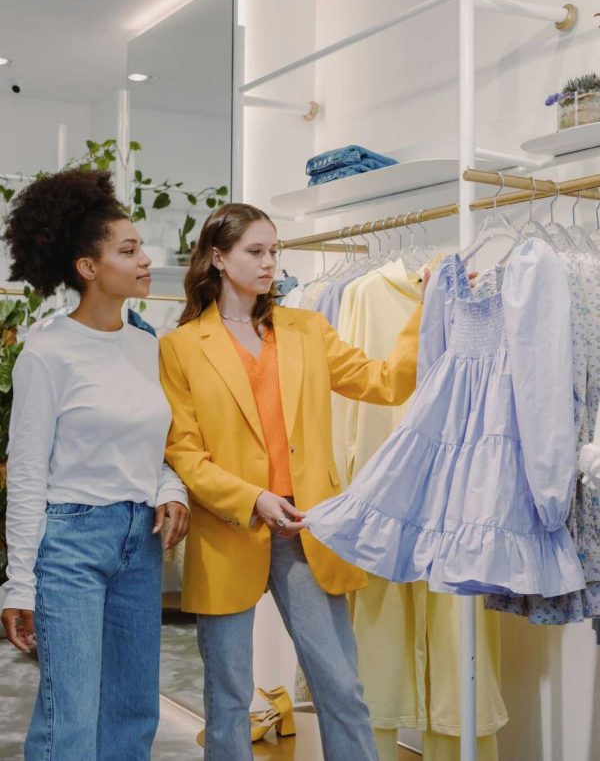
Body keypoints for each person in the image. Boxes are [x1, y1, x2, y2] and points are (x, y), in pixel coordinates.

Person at [159, 202, 427, 761]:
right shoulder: (180, 346)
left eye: (273, 250)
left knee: (342, 688)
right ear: (218, 258)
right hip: (229, 528)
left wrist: (426, 309)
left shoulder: (307, 329)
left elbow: (385, 383)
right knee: (228, 699)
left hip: (307, 527)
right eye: (255, 251)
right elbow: (185, 452)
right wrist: (252, 498)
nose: (269, 263)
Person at [0, 169, 190, 761]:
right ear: (88, 267)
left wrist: (171, 486)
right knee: (71, 719)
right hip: (71, 543)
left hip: (141, 542)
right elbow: (26, 474)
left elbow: (150, 444)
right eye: (128, 251)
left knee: (134, 712)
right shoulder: (47, 352)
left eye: (140, 248)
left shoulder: (145, 344)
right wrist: (18, 582)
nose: (145, 259)